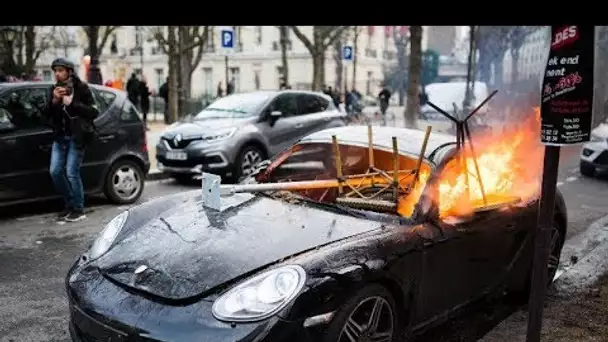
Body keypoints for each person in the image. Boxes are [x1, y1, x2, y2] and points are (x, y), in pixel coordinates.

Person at [42, 58, 99, 222]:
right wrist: (54, 101)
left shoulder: (81, 88)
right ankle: (69, 203)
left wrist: (72, 103)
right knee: (55, 172)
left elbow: (93, 111)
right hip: (60, 137)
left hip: (77, 136)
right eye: (55, 71)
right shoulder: (53, 89)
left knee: (72, 172)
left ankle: (79, 209)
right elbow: (46, 114)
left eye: (60, 70)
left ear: (69, 71)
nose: (57, 73)